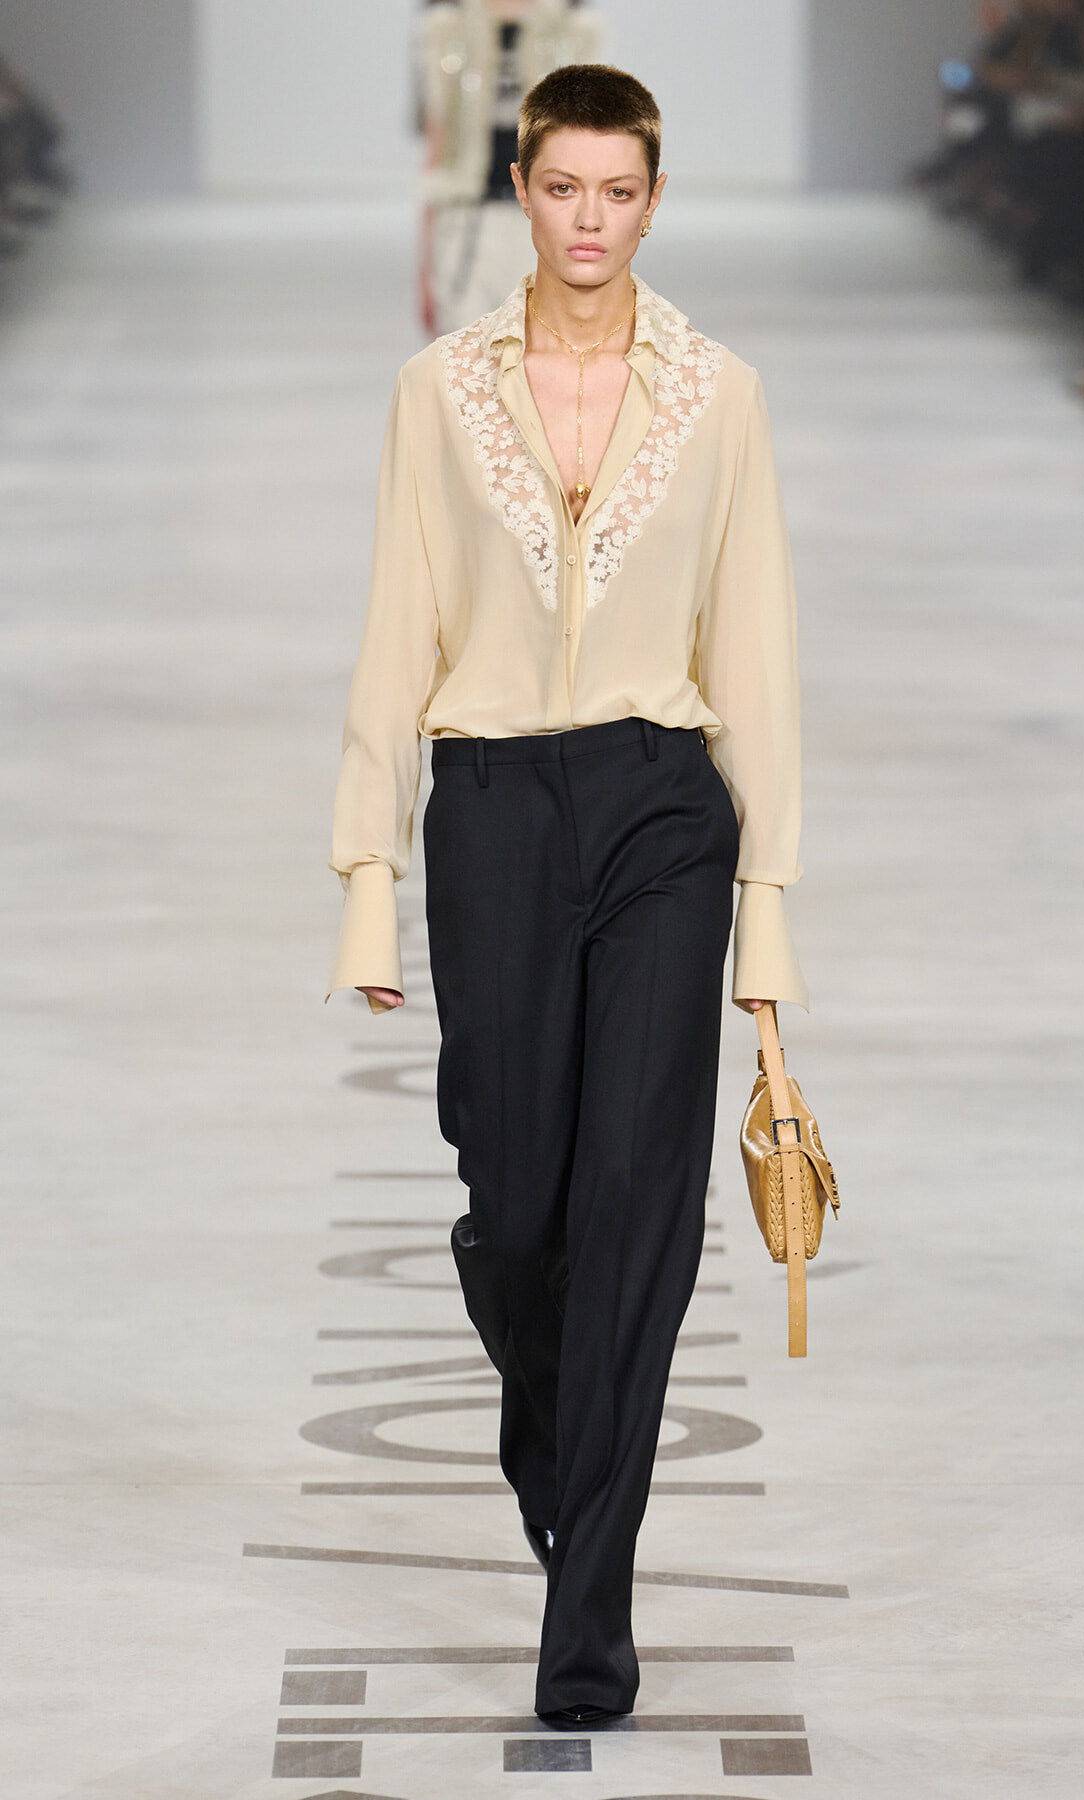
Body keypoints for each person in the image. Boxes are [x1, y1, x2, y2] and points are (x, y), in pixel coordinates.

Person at [327, 63, 806, 1725]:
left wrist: (767, 914)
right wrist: (368, 874)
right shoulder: (438, 391)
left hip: (664, 807)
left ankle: (587, 1612)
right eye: (562, 188)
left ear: (653, 202)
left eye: (618, 191)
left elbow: (756, 657)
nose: (589, 219)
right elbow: (396, 627)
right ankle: (553, 1437)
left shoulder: (721, 395)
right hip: (493, 809)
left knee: (636, 1207)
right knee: (518, 1201)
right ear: (521, 191)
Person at [418, 0, 600, 333]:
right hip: (465, 225)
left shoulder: (575, 29)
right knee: (467, 353)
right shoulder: (447, 28)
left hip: (546, 223)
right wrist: (424, 269)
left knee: (544, 349)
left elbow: (588, 144)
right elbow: (437, 146)